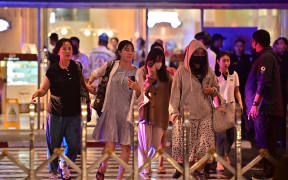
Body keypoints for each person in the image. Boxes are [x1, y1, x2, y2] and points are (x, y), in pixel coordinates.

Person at [88, 40, 140, 180]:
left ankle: (120, 178)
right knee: (109, 146)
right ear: (120, 52)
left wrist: (137, 88)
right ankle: (102, 169)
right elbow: (95, 73)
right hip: (110, 111)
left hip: (127, 114)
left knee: (126, 148)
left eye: (132, 50)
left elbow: (140, 95)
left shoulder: (136, 71)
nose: (130, 52)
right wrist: (89, 86)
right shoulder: (111, 66)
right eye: (126, 49)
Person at [31, 38, 82, 180]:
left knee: (74, 145)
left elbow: (82, 84)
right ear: (58, 51)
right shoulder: (52, 70)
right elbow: (44, 88)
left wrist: (91, 88)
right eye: (64, 48)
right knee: (53, 145)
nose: (67, 51)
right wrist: (38, 93)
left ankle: (64, 164)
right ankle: (53, 173)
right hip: (56, 113)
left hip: (74, 113)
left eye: (69, 48)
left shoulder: (76, 67)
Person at [169, 40, 219, 179]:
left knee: (205, 148)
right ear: (190, 54)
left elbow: (217, 89)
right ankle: (191, 171)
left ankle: (198, 171)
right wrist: (174, 113)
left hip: (205, 115)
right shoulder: (181, 71)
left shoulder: (209, 71)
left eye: (202, 53)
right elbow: (175, 93)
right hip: (186, 116)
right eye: (196, 52)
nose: (199, 55)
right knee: (188, 150)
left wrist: (212, 90)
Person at [245, 29, 283, 179]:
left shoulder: (266, 57)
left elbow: (263, 82)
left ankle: (269, 173)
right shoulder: (266, 56)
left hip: (266, 109)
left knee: (266, 143)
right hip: (266, 108)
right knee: (266, 142)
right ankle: (269, 172)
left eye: (252, 41)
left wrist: (255, 104)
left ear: (256, 41)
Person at [137, 48, 173, 178]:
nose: (156, 65)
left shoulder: (167, 77)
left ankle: (145, 166)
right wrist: (147, 83)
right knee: (143, 146)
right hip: (145, 115)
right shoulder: (141, 73)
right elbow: (138, 95)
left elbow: (172, 95)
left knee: (154, 145)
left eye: (160, 61)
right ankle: (144, 170)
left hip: (161, 115)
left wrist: (172, 112)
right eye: (153, 62)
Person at [215, 52, 243, 171]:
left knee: (231, 136)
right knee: (221, 136)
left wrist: (240, 103)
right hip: (219, 109)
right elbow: (213, 93)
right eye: (224, 60)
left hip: (231, 109)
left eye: (228, 60)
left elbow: (236, 91)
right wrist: (218, 106)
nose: (226, 63)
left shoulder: (234, 74)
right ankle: (219, 161)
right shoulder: (215, 75)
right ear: (218, 62)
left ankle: (225, 154)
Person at [229, 39, 253, 141]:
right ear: (234, 47)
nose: (239, 48)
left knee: (243, 110)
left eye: (241, 46)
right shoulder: (230, 58)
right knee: (232, 109)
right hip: (232, 88)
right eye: (237, 46)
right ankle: (231, 132)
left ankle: (244, 131)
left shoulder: (247, 58)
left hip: (244, 88)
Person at [273, 37, 288, 148]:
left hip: (285, 90)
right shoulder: (274, 58)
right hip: (278, 91)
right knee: (279, 116)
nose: (281, 46)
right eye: (279, 44)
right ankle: (279, 138)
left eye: (283, 44)